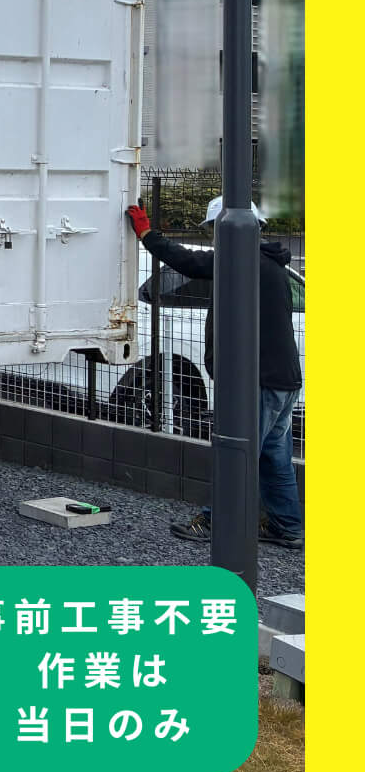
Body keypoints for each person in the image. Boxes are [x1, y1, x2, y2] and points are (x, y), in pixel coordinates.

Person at [126, 195, 303, 548]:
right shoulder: (271, 264)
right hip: (283, 380)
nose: (214, 237)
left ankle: (214, 522)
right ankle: (287, 526)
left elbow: (189, 262)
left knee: (236, 452)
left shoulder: (242, 260)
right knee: (274, 457)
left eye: (215, 229)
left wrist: (147, 234)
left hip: (257, 381)